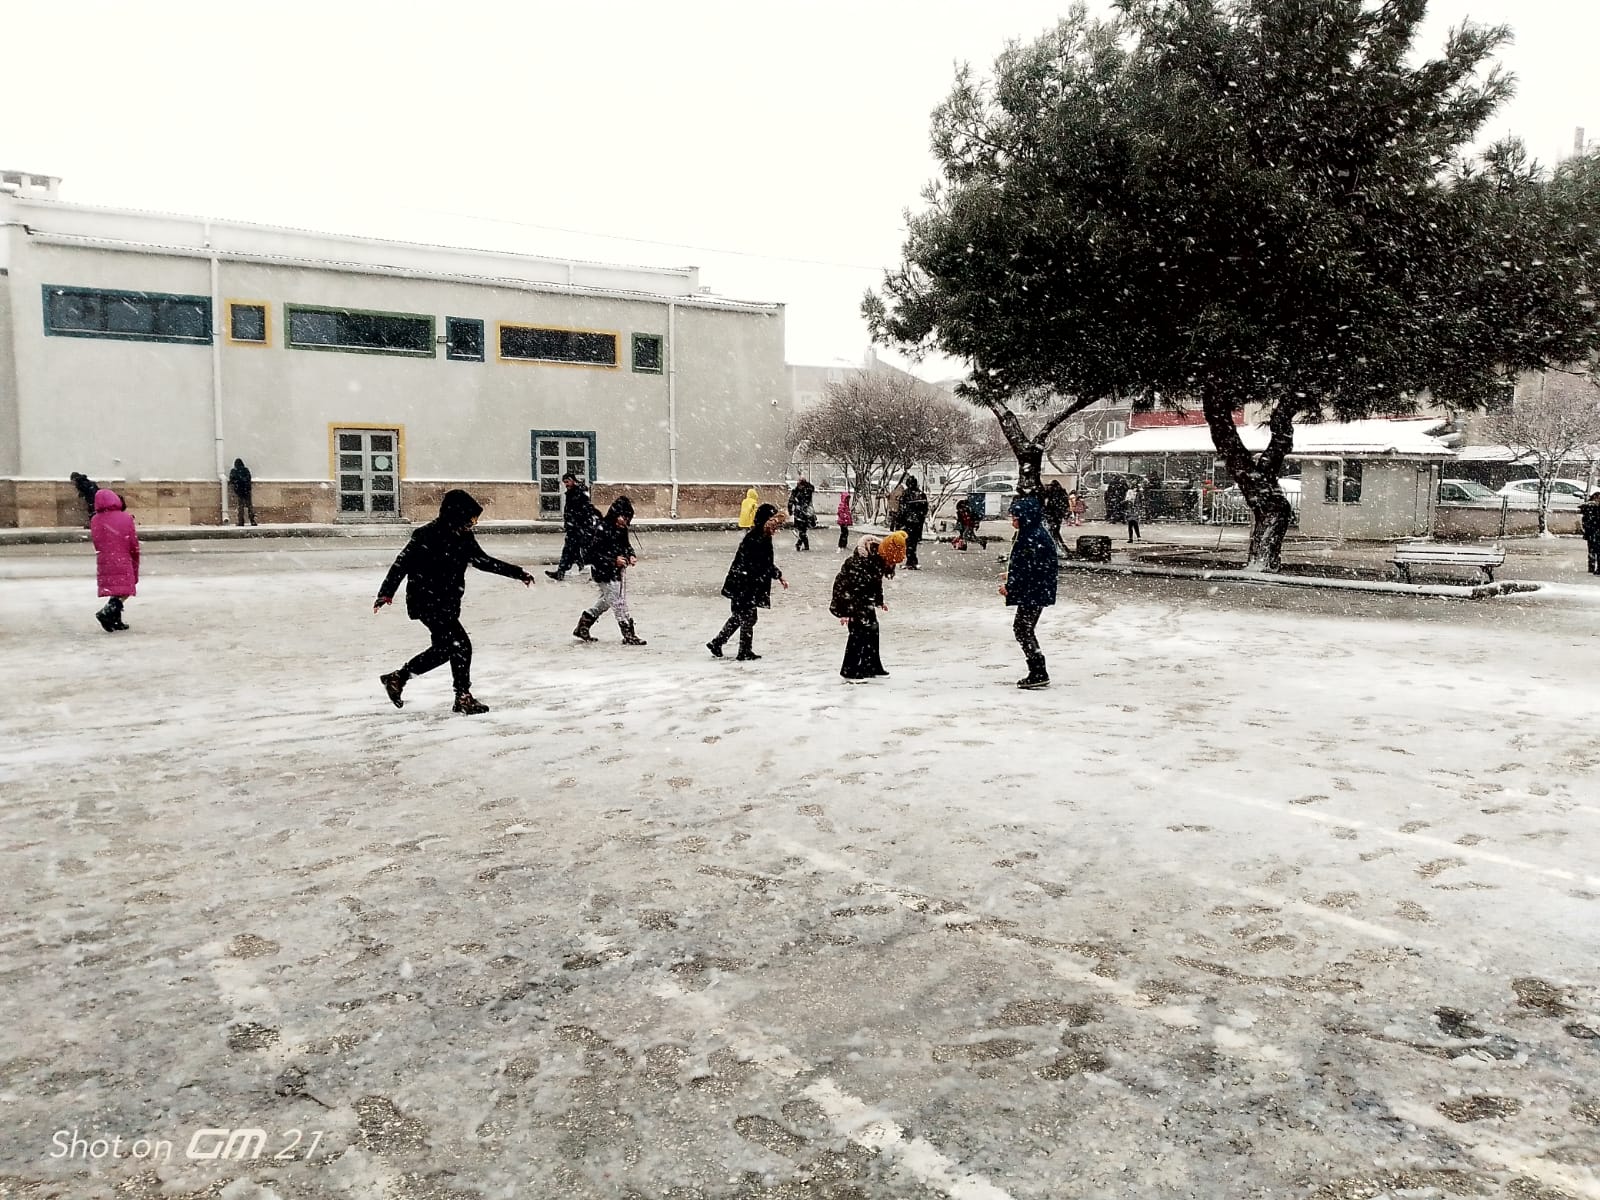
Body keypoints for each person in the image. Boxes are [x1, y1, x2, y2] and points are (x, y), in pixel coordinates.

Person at [373, 489, 534, 715]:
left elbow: (482, 561)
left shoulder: (464, 537)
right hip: (426, 601)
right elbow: (401, 564)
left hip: (447, 601)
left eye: (474, 520)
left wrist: (517, 573)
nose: (473, 524)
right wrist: (386, 593)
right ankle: (462, 696)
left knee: (444, 650)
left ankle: (398, 678)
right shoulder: (426, 535)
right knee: (460, 645)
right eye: (470, 518)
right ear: (456, 515)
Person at [708, 503, 788, 661]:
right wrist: (776, 575)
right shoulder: (757, 538)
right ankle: (743, 650)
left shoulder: (759, 536)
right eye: (775, 524)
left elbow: (763, 563)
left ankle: (718, 642)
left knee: (741, 616)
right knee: (748, 617)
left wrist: (778, 575)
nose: (776, 529)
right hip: (744, 584)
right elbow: (761, 563)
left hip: (743, 583)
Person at [830, 530, 906, 681]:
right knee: (858, 632)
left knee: (872, 629)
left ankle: (871, 665)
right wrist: (846, 612)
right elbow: (847, 587)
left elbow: (876, 584)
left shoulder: (878, 559)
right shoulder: (860, 562)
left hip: (864, 600)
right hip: (850, 599)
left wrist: (879, 601)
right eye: (891, 561)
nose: (891, 565)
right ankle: (850, 669)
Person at [1000, 495, 1058, 689]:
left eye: (1015, 517)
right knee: (1024, 628)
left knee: (1022, 629)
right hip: (1036, 589)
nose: (1012, 522)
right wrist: (1011, 575)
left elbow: (1028, 569)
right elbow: (1027, 566)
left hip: (1034, 591)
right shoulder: (1033, 533)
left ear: (1024, 517)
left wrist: (1011, 586)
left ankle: (1038, 671)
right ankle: (1038, 670)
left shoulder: (1031, 537)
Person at [573, 496, 646, 645]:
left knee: (607, 601)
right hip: (603, 572)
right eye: (623, 517)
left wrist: (630, 555)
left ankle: (583, 625)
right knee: (618, 602)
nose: (624, 522)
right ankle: (628, 633)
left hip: (616, 571)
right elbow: (591, 554)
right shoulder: (602, 529)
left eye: (627, 519)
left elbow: (626, 546)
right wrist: (613, 560)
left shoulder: (621, 529)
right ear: (615, 514)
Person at [90, 489, 139, 632]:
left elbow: (97, 541)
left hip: (104, 557)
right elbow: (132, 542)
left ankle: (116, 620)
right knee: (125, 589)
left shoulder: (95, 519)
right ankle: (107, 612)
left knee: (116, 588)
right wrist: (134, 555)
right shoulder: (125, 518)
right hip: (122, 556)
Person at [547, 473, 600, 581]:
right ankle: (565, 571)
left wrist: (579, 523)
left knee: (577, 550)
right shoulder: (574, 492)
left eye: (567, 482)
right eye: (564, 483)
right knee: (572, 550)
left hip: (580, 527)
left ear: (573, 480)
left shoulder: (579, 493)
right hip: (575, 527)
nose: (566, 484)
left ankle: (588, 571)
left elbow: (585, 509)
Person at [899, 476, 929, 569]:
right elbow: (925, 509)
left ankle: (910, 561)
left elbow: (902, 510)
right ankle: (913, 560)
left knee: (908, 543)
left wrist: (900, 522)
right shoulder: (921, 494)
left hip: (908, 523)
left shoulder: (906, 494)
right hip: (917, 523)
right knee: (913, 543)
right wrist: (920, 519)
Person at [788, 476, 816, 552]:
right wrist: (790, 509)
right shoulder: (803, 490)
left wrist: (791, 509)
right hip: (803, 513)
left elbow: (791, 501)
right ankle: (803, 545)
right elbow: (791, 501)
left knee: (802, 530)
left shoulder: (804, 491)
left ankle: (800, 544)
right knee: (802, 530)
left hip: (802, 513)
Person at [228, 458, 258, 526]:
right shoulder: (246, 470)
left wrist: (237, 483)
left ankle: (241, 521)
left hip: (239, 491)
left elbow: (232, 480)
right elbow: (248, 478)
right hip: (247, 490)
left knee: (240, 507)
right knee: (249, 506)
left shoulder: (234, 471)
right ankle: (252, 520)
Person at [1043, 480, 1069, 549]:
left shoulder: (1052, 493)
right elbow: (1066, 504)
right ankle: (1059, 545)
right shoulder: (1062, 493)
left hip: (1052, 513)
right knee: (1055, 530)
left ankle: (1058, 545)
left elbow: (1046, 498)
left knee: (1053, 530)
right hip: (1057, 514)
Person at [1583, 491, 1600, 575]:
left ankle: (1593, 567)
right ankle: (1592, 566)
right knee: (1593, 550)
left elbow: (1585, 521)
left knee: (1594, 550)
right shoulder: (1590, 508)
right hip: (1593, 532)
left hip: (1593, 532)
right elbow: (1586, 521)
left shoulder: (1589, 508)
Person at [1124, 477, 1143, 543]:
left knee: (1131, 524)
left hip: (1132, 510)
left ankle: (1132, 538)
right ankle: (1137, 537)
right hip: (1134, 510)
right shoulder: (1137, 493)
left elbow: (1127, 500)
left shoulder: (1131, 492)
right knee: (1134, 524)